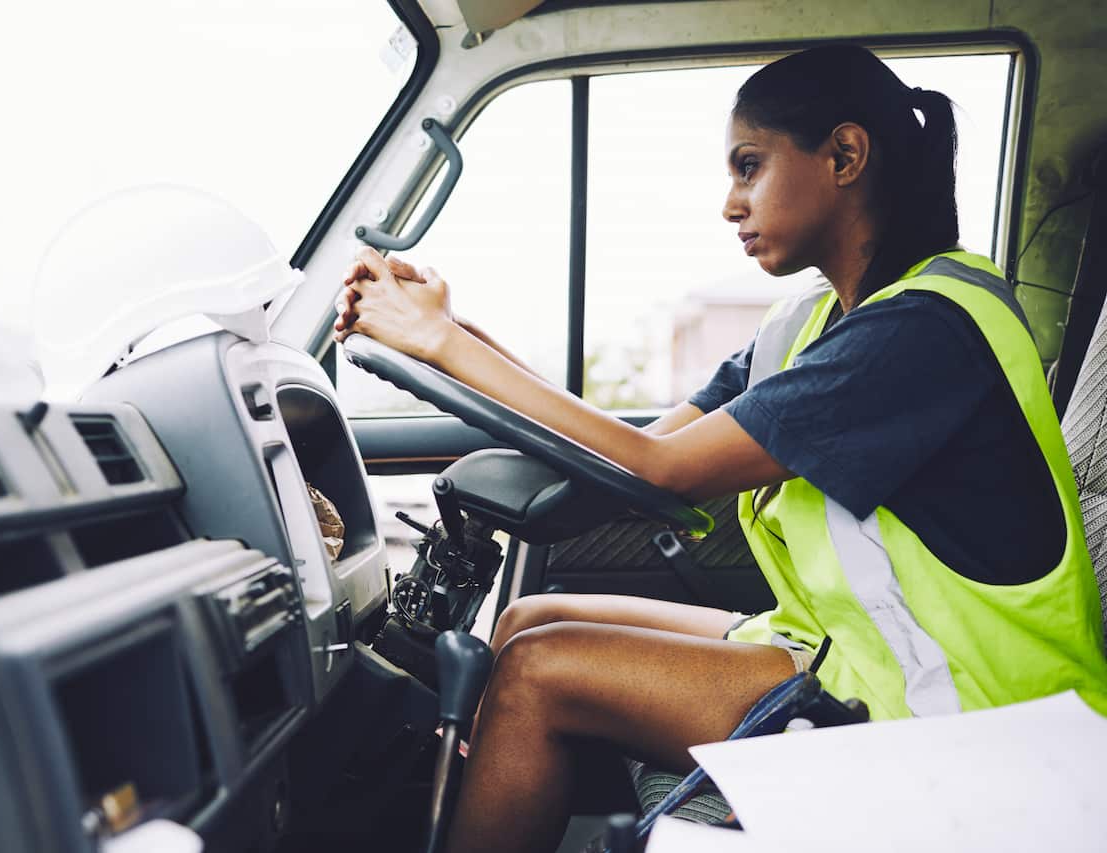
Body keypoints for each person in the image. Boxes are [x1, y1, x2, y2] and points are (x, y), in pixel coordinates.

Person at [333, 44, 1107, 853]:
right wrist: (448, 333)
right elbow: (632, 446)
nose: (730, 204)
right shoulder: (809, 327)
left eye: (749, 167)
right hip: (849, 652)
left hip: (971, 718)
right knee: (531, 616)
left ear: (845, 155)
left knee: (538, 671)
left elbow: (662, 471)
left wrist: (438, 344)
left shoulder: (921, 331)